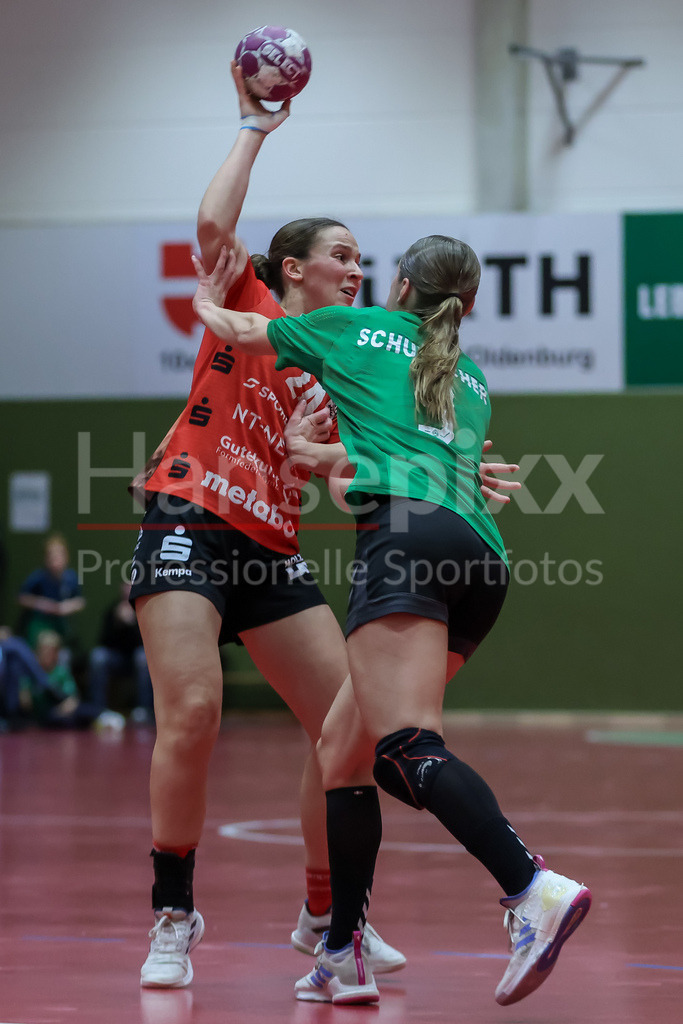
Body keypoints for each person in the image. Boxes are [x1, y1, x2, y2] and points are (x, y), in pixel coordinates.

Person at [129, 64, 519, 991]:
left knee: (343, 731)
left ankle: (325, 918)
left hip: (273, 550)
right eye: (341, 254)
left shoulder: (352, 367)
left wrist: (452, 473)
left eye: (363, 257)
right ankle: (173, 912)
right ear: (294, 268)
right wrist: (254, 127)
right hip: (190, 516)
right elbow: (216, 229)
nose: (357, 268)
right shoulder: (256, 306)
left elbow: (355, 483)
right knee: (191, 712)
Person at [191, 233, 592, 1008]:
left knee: (405, 746)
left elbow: (241, 332)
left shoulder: (353, 327)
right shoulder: (468, 380)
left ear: (400, 283)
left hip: (405, 545)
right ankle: (340, 952)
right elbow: (386, 465)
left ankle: (530, 888)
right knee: (345, 751)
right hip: (479, 558)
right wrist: (325, 458)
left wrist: (209, 295)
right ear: (467, 305)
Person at [87, 582, 154, 724]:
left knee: (142, 657)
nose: (127, 591)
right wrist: (117, 623)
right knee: (98, 657)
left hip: (136, 660)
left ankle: (143, 710)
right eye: (125, 588)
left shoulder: (143, 609)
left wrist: (132, 624)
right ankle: (99, 710)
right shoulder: (112, 611)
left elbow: (147, 642)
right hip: (116, 659)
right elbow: (103, 640)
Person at [17, 533, 85, 654]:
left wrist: (65, 607)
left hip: (61, 626)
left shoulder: (71, 578)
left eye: (59, 556)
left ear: (66, 557)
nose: (55, 560)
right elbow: (22, 597)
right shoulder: (39, 577)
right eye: (51, 556)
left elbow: (80, 601)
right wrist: (42, 604)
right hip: (41, 624)